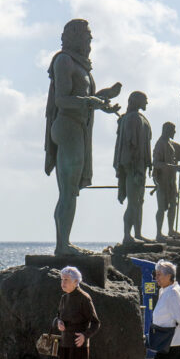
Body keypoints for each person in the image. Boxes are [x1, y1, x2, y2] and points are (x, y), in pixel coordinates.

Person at [44, 20, 122, 254]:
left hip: (77, 127)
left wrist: (103, 99)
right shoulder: (64, 60)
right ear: (74, 37)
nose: (90, 41)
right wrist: (91, 101)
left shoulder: (82, 66)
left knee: (70, 191)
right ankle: (63, 246)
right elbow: (62, 100)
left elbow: (83, 98)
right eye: (87, 36)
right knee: (68, 191)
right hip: (67, 127)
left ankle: (64, 243)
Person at [113, 91, 152, 244]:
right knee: (133, 201)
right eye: (145, 100)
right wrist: (135, 168)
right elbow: (130, 145)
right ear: (136, 101)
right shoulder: (132, 118)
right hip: (133, 166)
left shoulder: (139, 118)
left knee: (139, 201)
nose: (147, 103)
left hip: (140, 166)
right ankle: (127, 236)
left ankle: (138, 233)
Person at [54, 266, 100, 359]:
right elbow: (58, 316)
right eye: (62, 279)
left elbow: (96, 323)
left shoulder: (84, 298)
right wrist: (58, 322)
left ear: (75, 282)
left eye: (66, 280)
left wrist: (85, 336)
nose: (63, 283)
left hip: (78, 346)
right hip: (64, 344)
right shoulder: (64, 298)